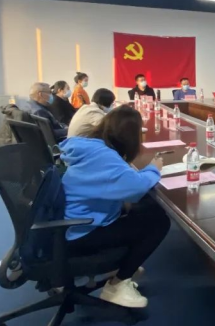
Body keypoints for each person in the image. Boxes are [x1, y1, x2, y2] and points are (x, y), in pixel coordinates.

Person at [62, 106, 170, 309]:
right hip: (82, 232)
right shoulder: (104, 157)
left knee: (147, 208)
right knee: (159, 222)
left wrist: (143, 172)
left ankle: (122, 266)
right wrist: (154, 169)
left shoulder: (93, 147)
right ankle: (118, 284)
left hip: (73, 223)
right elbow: (135, 188)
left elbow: (125, 182)